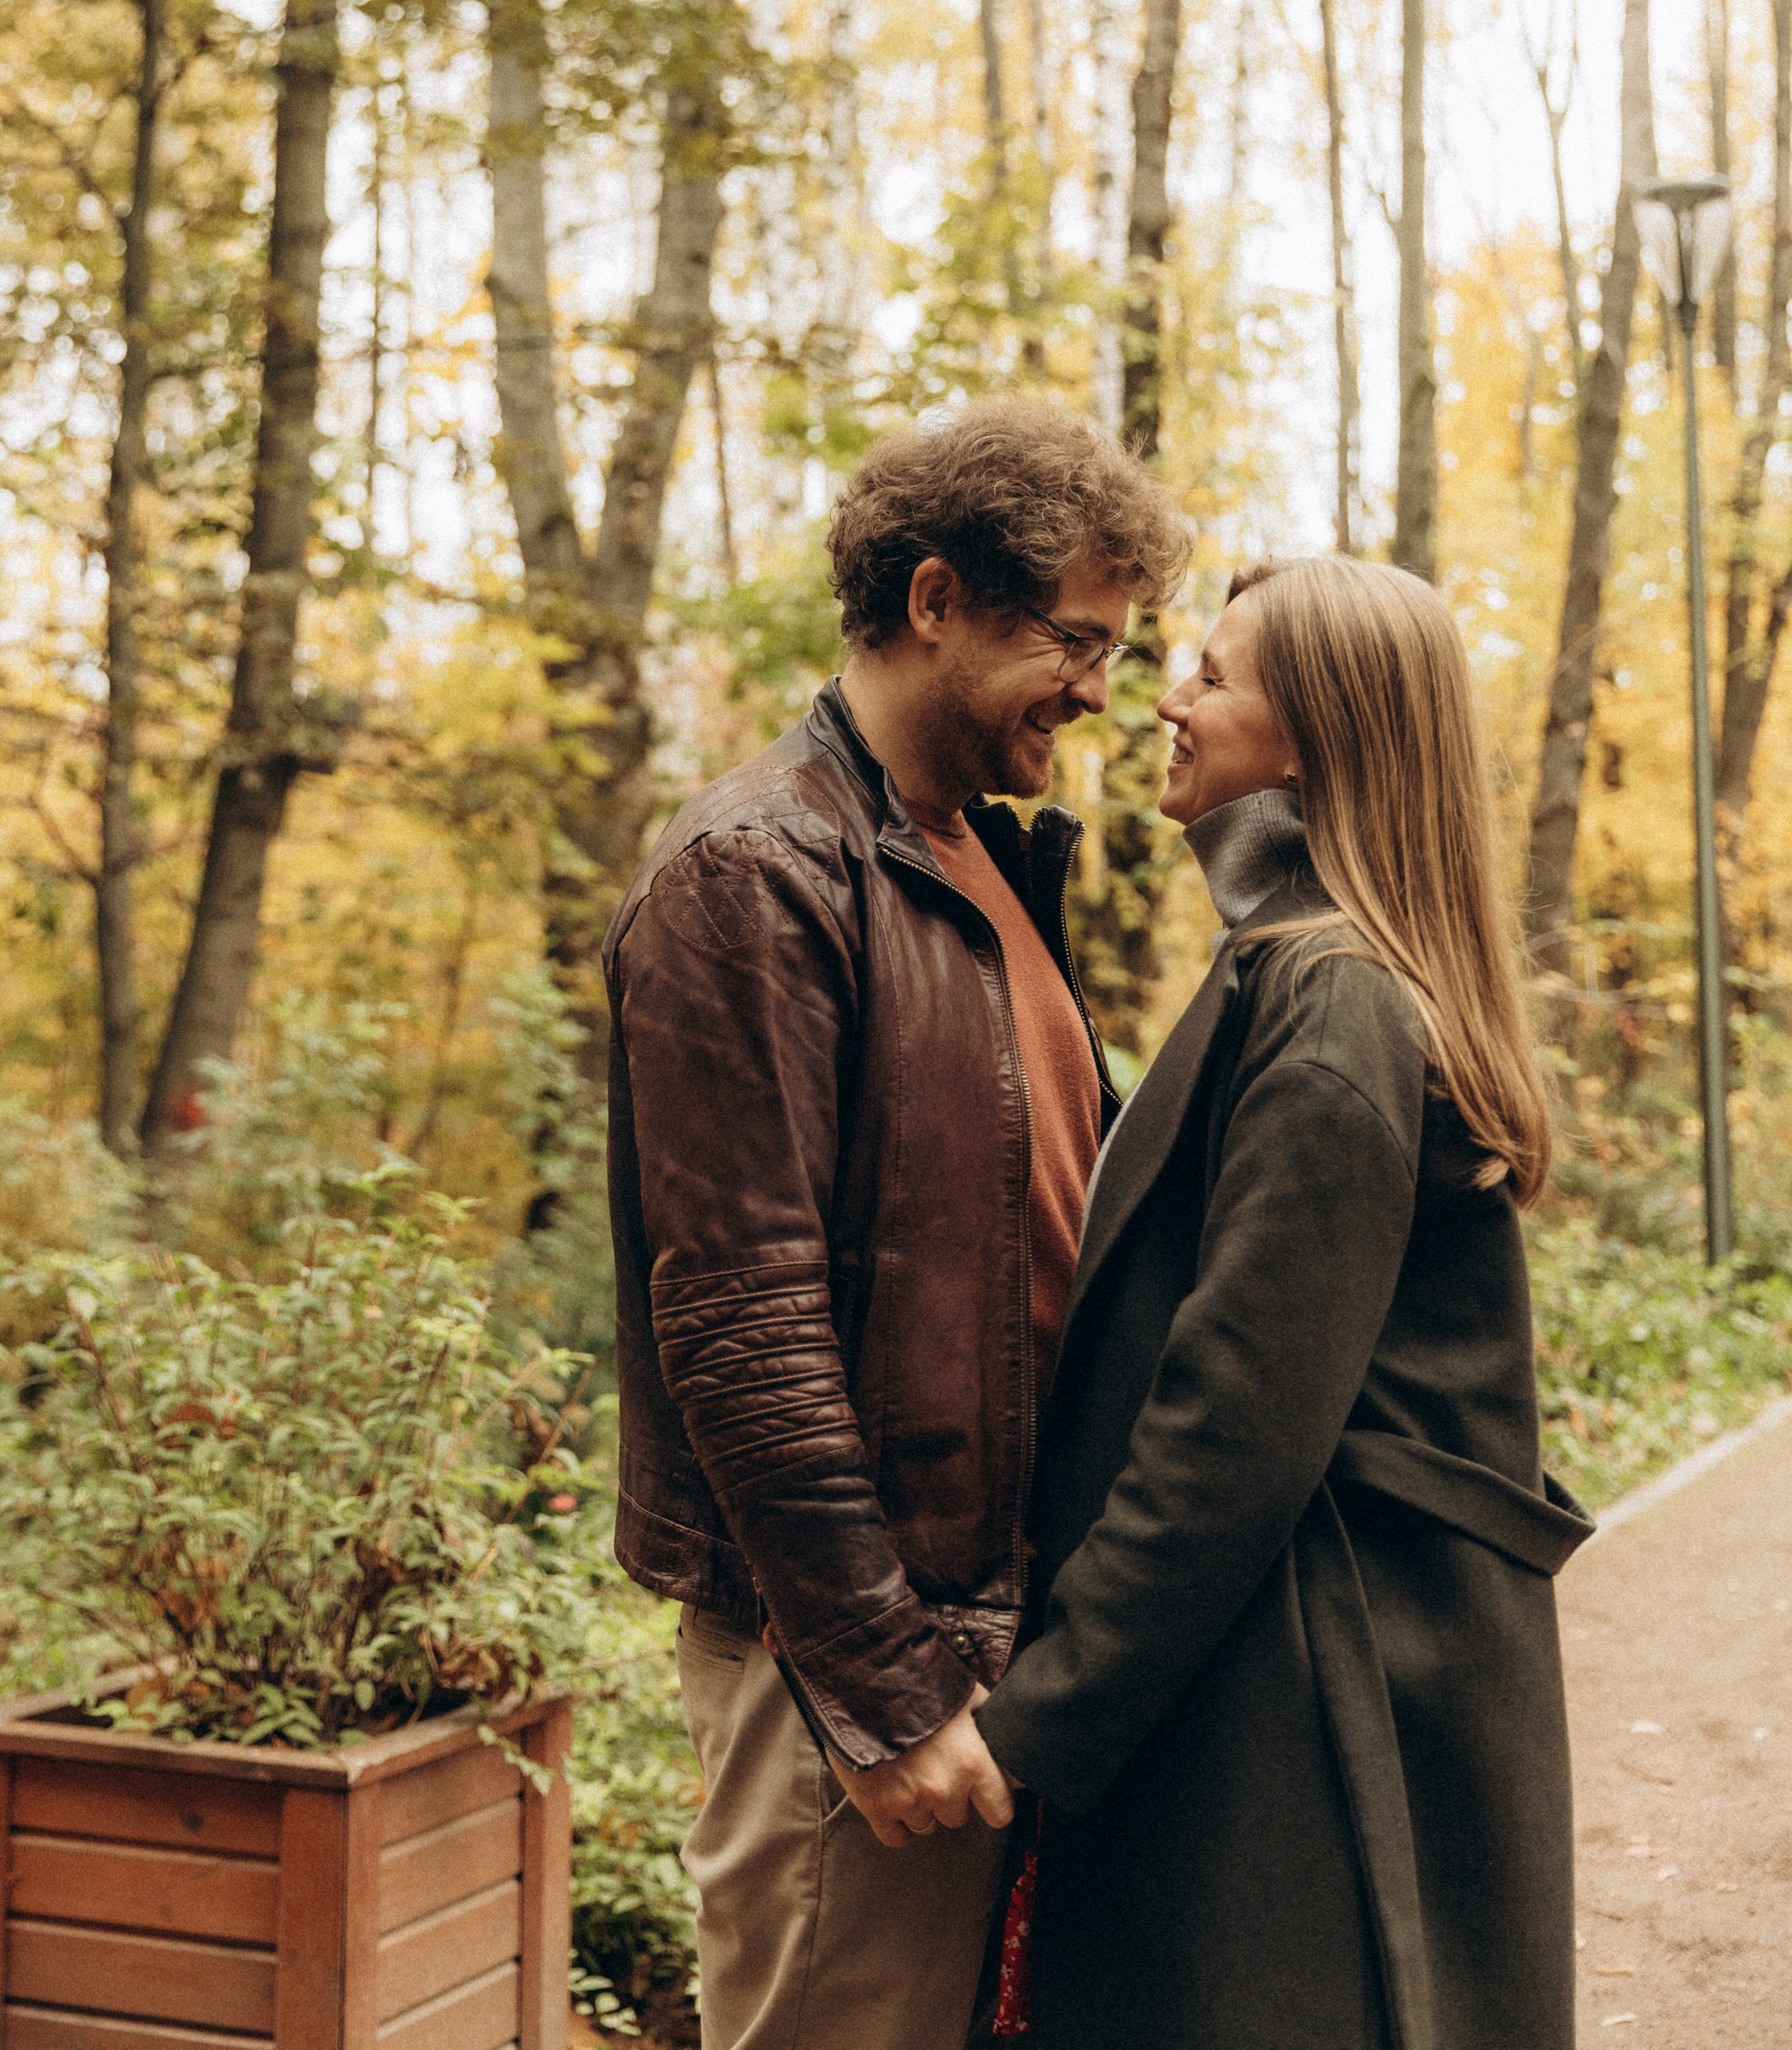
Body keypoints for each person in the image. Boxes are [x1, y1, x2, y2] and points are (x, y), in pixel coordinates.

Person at [604, 399, 1192, 2050]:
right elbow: (739, 1322)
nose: (1097, 688)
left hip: (983, 1626)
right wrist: (884, 1692)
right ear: (935, 600)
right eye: (1072, 641)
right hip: (853, 1662)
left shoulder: (963, 859)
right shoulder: (753, 875)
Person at [974, 555, 1592, 2050]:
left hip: (1314, 1696)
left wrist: (1041, 1719)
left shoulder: (1332, 1001)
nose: (1163, 700)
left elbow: (1235, 1424)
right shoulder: (1292, 968)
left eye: (1214, 675)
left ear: (1315, 735)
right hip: (1297, 1665)